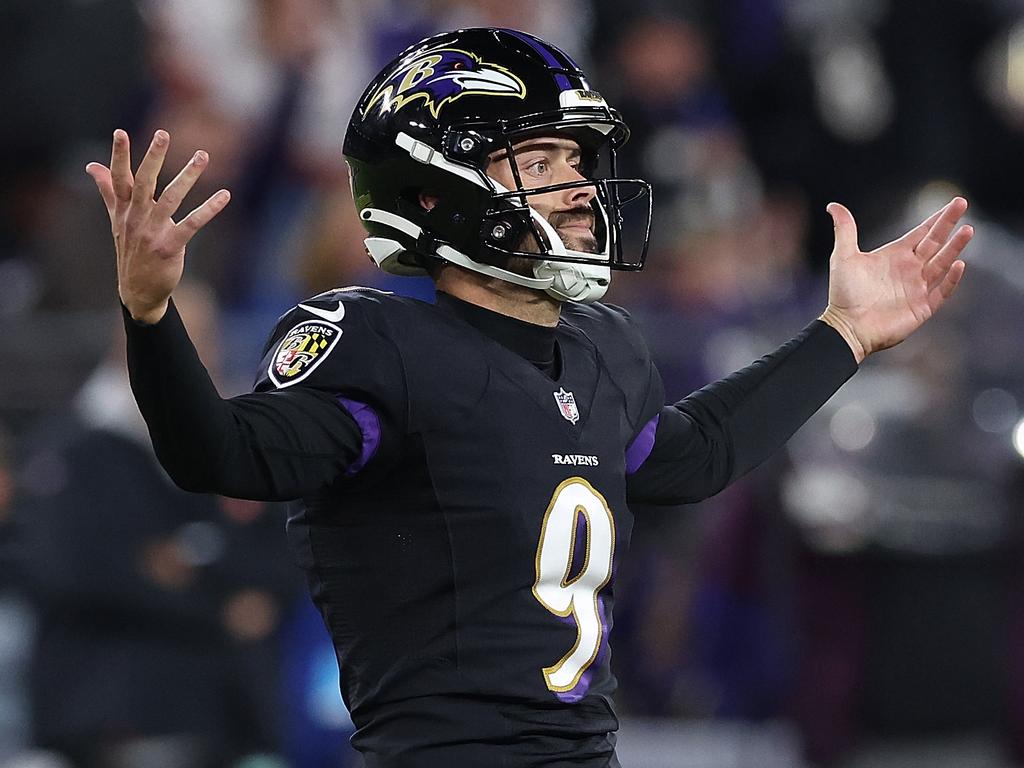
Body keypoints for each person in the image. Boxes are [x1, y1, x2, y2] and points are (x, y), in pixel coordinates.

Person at [84, 27, 972, 768]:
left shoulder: (604, 349)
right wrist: (151, 314)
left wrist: (842, 336)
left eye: (575, 157)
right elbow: (220, 455)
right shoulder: (378, 345)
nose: (580, 183)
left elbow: (688, 456)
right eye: (540, 158)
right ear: (435, 192)